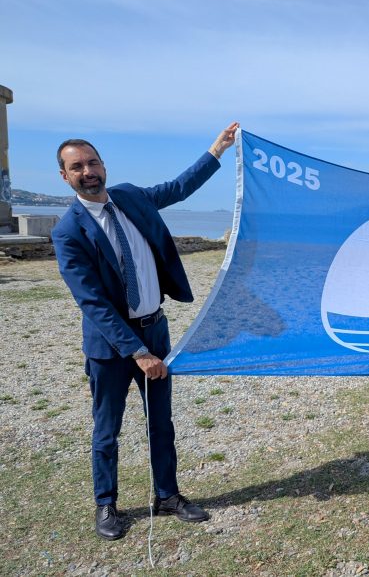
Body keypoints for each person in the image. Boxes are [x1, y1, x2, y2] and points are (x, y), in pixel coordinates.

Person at [52, 122, 239, 540]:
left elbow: (178, 188)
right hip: (112, 347)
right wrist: (138, 352)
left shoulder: (131, 197)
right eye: (77, 167)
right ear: (64, 176)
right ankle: (106, 504)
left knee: (161, 423)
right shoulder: (68, 232)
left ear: (104, 165)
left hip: (156, 330)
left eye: (93, 162)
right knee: (107, 429)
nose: (88, 171)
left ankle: (167, 495)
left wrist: (217, 150)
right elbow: (92, 302)